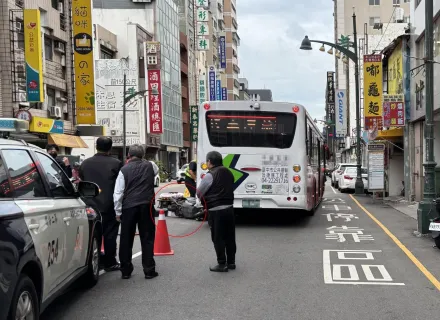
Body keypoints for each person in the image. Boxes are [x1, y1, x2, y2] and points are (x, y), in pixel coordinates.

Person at [114, 145, 159, 280]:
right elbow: (155, 172)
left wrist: (117, 211)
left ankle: (126, 271)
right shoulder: (151, 166)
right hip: (146, 205)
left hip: (129, 207)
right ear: (143, 155)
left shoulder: (124, 170)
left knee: (126, 238)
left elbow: (118, 193)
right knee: (147, 238)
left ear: (128, 155)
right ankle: (149, 270)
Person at [79, 137, 123, 272]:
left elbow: (82, 181)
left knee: (91, 235)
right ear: (110, 148)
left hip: (89, 205)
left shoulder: (85, 163)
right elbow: (121, 185)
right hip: (109, 204)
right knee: (110, 234)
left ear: (96, 146)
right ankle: (110, 262)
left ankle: (92, 262)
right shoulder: (116, 164)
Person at [196, 151, 236, 272]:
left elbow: (199, 192)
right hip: (229, 209)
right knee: (230, 237)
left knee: (218, 237)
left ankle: (222, 263)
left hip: (216, 210)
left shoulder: (210, 175)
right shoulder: (229, 172)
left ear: (210, 162)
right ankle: (231, 262)